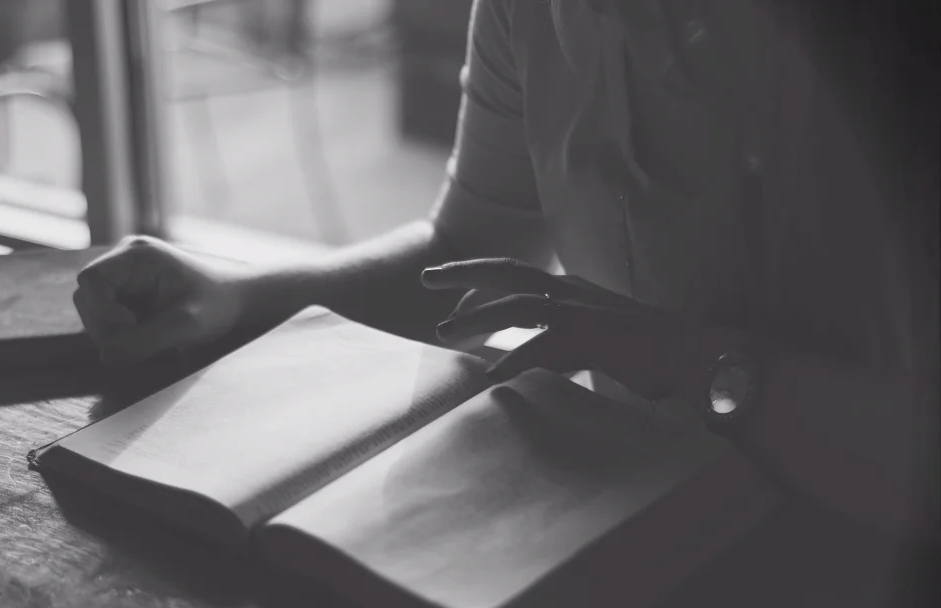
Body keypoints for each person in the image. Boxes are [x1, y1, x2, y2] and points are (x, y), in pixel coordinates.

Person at [73, 0, 935, 536]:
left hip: (853, 566)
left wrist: (692, 362)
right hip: (631, 522)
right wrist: (238, 296)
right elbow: (471, 250)